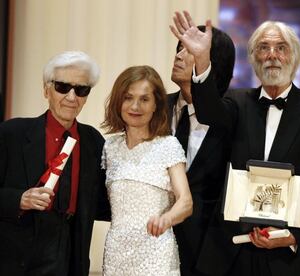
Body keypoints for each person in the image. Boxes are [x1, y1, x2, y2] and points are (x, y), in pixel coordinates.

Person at [170, 11, 300, 276]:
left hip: (289, 257)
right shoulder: (237, 102)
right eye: (263, 48)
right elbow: (208, 112)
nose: (272, 54)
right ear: (253, 58)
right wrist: (202, 61)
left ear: (293, 57)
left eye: (280, 48)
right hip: (233, 252)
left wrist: (293, 235)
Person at [0, 51, 110, 275]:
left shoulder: (94, 141)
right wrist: (18, 199)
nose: (71, 97)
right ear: (46, 89)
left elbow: (101, 202)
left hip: (72, 252)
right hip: (19, 253)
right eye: (62, 87)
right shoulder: (12, 133)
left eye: (81, 90)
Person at [101, 65, 193, 275]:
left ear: (156, 105)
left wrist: (166, 219)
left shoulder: (168, 145)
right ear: (118, 102)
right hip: (117, 255)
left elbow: (186, 202)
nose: (135, 106)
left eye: (144, 99)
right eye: (128, 97)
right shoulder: (110, 147)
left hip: (156, 253)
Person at [168, 25, 235, 276]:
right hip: (155, 243)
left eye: (189, 50)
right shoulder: (155, 109)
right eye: (178, 48)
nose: (178, 56)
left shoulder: (232, 116)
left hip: (210, 256)